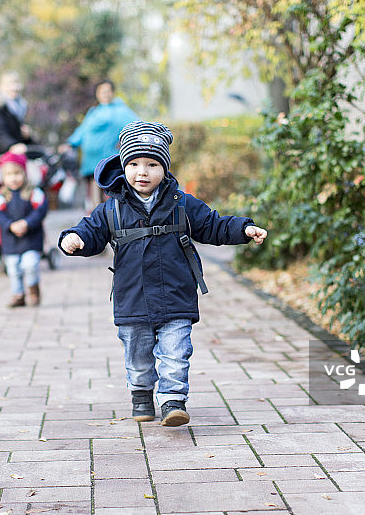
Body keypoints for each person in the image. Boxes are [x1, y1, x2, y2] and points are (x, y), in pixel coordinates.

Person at [58, 121, 267, 426]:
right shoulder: (112, 209)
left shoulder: (182, 204)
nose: (142, 172)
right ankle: (141, 395)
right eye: (134, 164)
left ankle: (172, 401)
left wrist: (243, 229)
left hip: (176, 295)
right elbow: (91, 231)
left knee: (176, 352)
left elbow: (213, 225)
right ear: (123, 166)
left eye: (152, 164)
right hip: (133, 299)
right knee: (137, 355)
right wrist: (74, 238)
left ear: (165, 169)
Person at [61, 79, 138, 210]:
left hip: (109, 161)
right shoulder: (93, 111)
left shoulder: (120, 110)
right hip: (91, 162)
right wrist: (70, 143)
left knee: (111, 197)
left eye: (107, 91)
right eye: (101, 91)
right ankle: (98, 220)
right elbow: (83, 130)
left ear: (112, 93)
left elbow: (137, 126)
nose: (105, 94)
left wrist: (125, 141)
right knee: (94, 199)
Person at [0, 151, 48, 307]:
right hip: (11, 241)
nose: (13, 178)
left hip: (31, 239)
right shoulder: (0, 197)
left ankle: (33, 289)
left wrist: (27, 223)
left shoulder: (34, 193)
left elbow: (40, 211)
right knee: (13, 268)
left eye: (17, 174)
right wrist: (10, 225)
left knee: (30, 265)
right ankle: (18, 294)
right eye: (9, 175)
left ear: (24, 173)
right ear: (3, 177)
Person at [0, 70, 34, 183]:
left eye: (16, 83)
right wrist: (12, 145)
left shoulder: (20, 108)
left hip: (16, 163)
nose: (14, 87)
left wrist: (28, 136)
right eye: (9, 84)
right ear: (1, 87)